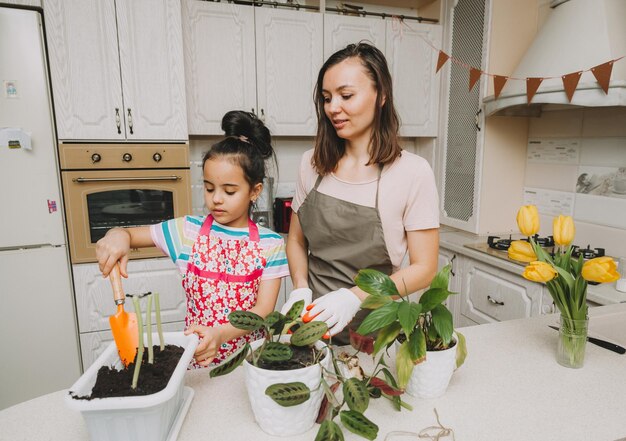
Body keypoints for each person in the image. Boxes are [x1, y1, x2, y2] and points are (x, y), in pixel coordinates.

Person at [96, 110, 289, 367]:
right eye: (209, 188)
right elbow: (130, 235)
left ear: (255, 191)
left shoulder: (271, 244)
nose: (216, 198)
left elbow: (263, 310)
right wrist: (117, 234)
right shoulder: (187, 231)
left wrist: (220, 334)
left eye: (229, 191)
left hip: (248, 363)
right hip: (196, 361)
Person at [282, 42, 440, 344]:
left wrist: (353, 297)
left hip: (376, 335)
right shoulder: (311, 164)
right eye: (327, 98)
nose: (332, 108)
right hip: (311, 327)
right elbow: (296, 240)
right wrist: (300, 288)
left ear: (381, 95)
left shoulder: (412, 172)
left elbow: (424, 268)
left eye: (346, 95)